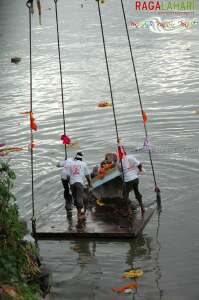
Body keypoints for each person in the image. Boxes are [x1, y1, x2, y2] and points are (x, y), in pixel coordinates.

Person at [68, 152, 91, 220]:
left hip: (72, 183)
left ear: (75, 158)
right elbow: (87, 175)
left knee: (75, 197)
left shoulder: (71, 164)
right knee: (79, 198)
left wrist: (70, 184)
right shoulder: (84, 164)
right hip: (79, 183)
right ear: (81, 158)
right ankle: (79, 214)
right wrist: (90, 183)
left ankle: (79, 210)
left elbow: (68, 175)